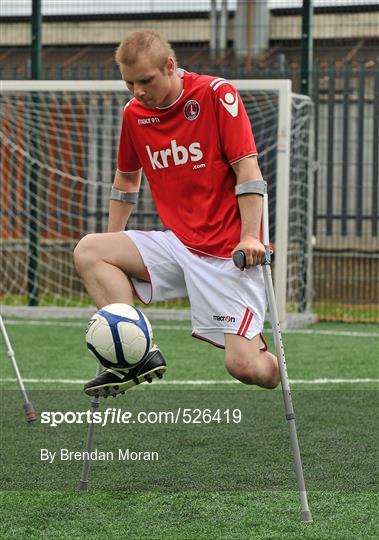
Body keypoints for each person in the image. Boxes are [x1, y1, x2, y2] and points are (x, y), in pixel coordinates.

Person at [73, 30, 280, 398]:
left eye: (146, 81)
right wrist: (112, 239)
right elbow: (126, 179)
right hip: (179, 245)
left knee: (245, 367)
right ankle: (137, 357)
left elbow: (248, 170)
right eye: (129, 82)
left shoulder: (216, 94)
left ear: (170, 66)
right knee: (91, 250)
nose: (137, 91)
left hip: (228, 253)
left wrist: (251, 236)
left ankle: (280, 368)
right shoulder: (134, 113)